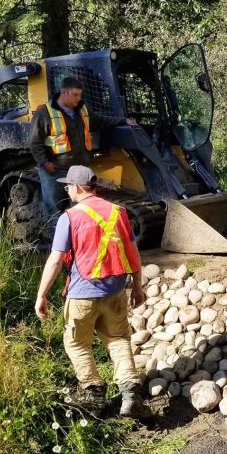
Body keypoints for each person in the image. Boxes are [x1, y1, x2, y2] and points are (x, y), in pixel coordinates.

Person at [34, 165, 150, 419]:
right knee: (118, 339)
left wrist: (42, 294)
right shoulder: (118, 212)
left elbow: (55, 260)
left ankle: (94, 392)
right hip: (116, 290)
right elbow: (133, 253)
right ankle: (130, 396)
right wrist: (138, 285)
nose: (67, 190)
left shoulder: (70, 217)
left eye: (67, 187)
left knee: (76, 343)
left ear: (76, 188)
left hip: (82, 293)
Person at [29, 76, 136, 234]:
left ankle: (79, 245)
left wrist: (123, 121)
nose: (79, 98)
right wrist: (45, 163)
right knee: (54, 211)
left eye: (80, 95)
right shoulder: (44, 113)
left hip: (79, 171)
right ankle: (60, 250)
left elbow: (100, 121)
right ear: (64, 92)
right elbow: (34, 142)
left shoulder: (82, 109)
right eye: (75, 95)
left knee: (80, 210)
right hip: (55, 170)